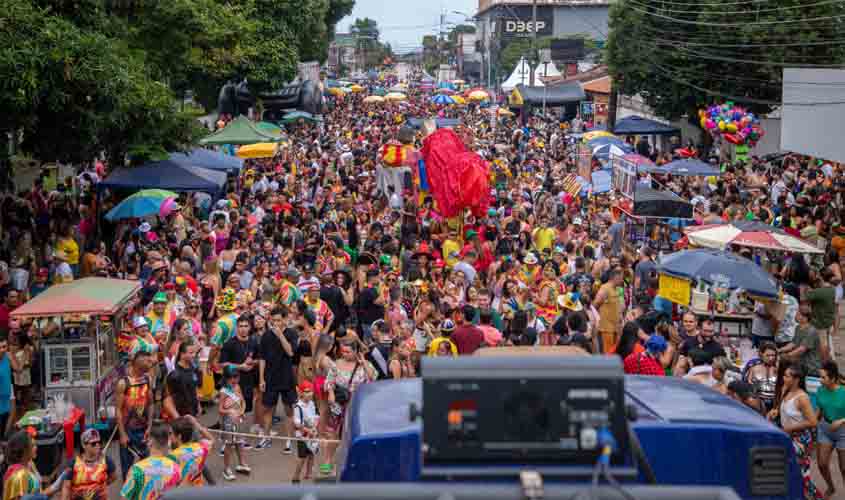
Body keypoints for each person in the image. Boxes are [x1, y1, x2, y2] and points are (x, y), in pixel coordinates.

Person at [766, 365, 822, 500]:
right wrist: (775, 412)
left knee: (801, 476)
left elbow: (813, 422)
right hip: (787, 437)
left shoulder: (802, 397)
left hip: (799, 441)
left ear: (796, 379)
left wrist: (789, 429)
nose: (783, 378)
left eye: (787, 376)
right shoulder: (785, 390)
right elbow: (782, 408)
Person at [257, 306, 297, 455]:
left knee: (288, 410)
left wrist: (280, 335)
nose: (275, 323)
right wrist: (261, 378)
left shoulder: (292, 333)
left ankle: (289, 440)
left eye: (279, 320)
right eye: (273, 320)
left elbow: (291, 352)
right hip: (270, 377)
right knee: (267, 408)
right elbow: (262, 358)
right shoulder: (266, 336)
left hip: (286, 378)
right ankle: (266, 437)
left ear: (285, 320)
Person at [115, 345, 155, 479]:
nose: (152, 363)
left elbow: (151, 404)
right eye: (148, 361)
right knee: (127, 468)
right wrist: (122, 434)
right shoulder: (123, 383)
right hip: (128, 431)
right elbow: (118, 410)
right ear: (139, 362)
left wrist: (149, 426)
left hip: (143, 429)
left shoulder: (147, 379)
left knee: (146, 466)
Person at [119, 422, 182, 500]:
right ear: (168, 442)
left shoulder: (137, 469)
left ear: (150, 441)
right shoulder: (176, 468)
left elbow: (124, 498)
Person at [815, 361, 845, 498]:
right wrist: (812, 423)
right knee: (821, 464)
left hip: (843, 432)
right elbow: (820, 409)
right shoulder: (820, 390)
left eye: (823, 377)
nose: (820, 380)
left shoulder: (843, 392)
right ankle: (831, 487)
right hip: (825, 428)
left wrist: (842, 420)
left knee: (844, 468)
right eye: (820, 376)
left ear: (833, 378)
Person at [61, 428, 117, 500]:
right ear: (84, 445)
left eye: (99, 442)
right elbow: (66, 486)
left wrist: (101, 485)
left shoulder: (107, 460)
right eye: (93, 443)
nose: (97, 445)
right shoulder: (73, 463)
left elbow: (113, 477)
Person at [219, 364, 250, 481]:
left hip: (239, 420)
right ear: (226, 378)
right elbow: (220, 409)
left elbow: (243, 401)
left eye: (236, 377)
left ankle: (241, 463)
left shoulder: (237, 387)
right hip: (228, 422)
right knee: (229, 446)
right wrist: (229, 411)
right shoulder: (223, 391)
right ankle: (226, 468)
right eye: (232, 378)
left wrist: (242, 411)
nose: (235, 380)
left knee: (240, 443)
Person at [168, 415, 214, 487]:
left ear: (179, 436)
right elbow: (212, 440)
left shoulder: (172, 456)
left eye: (170, 433)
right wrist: (196, 424)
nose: (169, 435)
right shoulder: (201, 448)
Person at [291, 381, 319, 483]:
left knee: (312, 454)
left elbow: (316, 416)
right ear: (301, 393)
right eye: (307, 391)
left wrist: (315, 427)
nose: (310, 393)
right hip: (303, 436)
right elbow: (297, 424)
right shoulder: (298, 407)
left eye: (311, 391)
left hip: (312, 433)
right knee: (302, 457)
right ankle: (296, 476)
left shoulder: (312, 403)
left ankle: (309, 473)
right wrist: (308, 430)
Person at [0, 337, 15, 442]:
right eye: (0, 347)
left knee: (6, 418)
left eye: (4, 347)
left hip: (6, 394)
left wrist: (12, 357)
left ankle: (3, 440)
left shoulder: (7, 357)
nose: (2, 350)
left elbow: (18, 368)